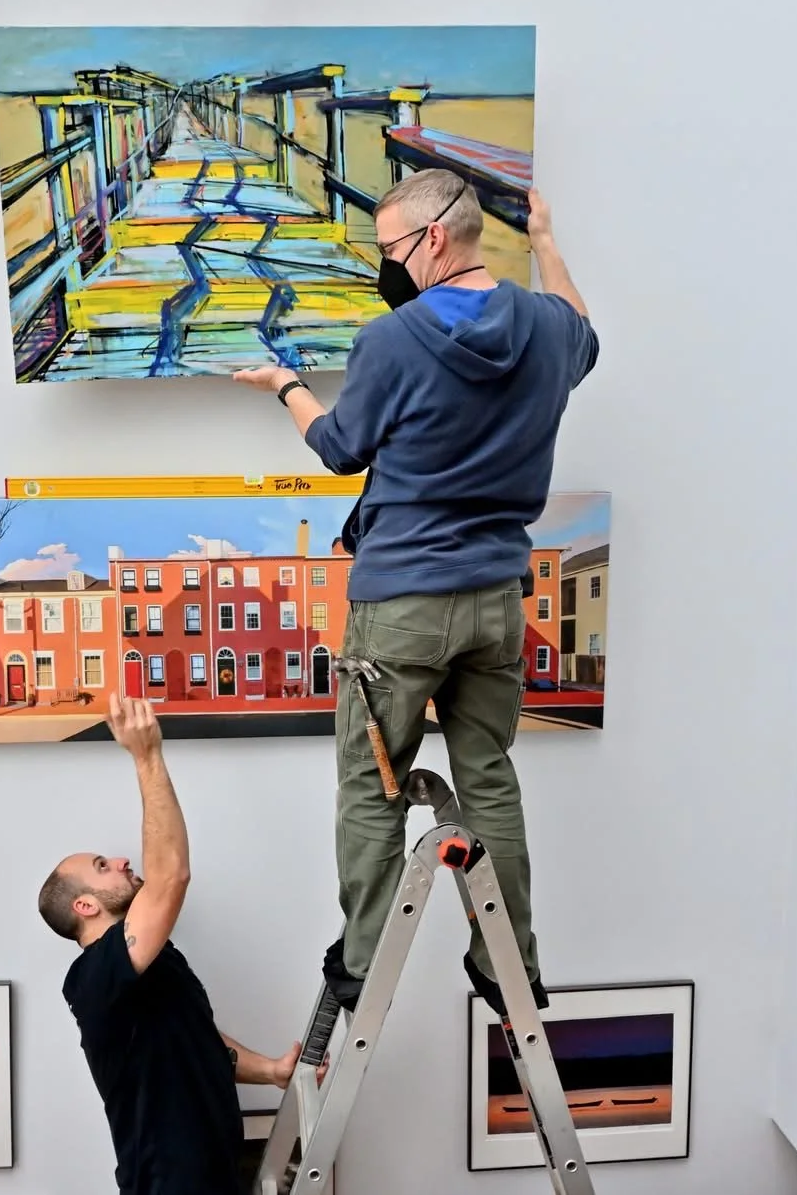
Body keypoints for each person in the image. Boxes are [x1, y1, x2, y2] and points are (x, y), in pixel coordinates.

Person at [232, 170, 599, 1018]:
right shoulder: (546, 328)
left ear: (434, 237)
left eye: (391, 247)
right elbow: (585, 327)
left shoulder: (392, 341)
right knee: (490, 781)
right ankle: (514, 966)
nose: (386, 265)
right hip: (496, 598)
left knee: (373, 786)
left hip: (400, 604)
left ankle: (360, 962)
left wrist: (284, 386)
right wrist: (545, 241)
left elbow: (338, 447)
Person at [38, 693, 320, 1195]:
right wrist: (146, 756)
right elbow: (171, 876)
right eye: (102, 866)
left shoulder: (154, 962)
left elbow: (197, 1041)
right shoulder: (92, 979)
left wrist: (272, 1070)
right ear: (85, 906)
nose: (122, 861)